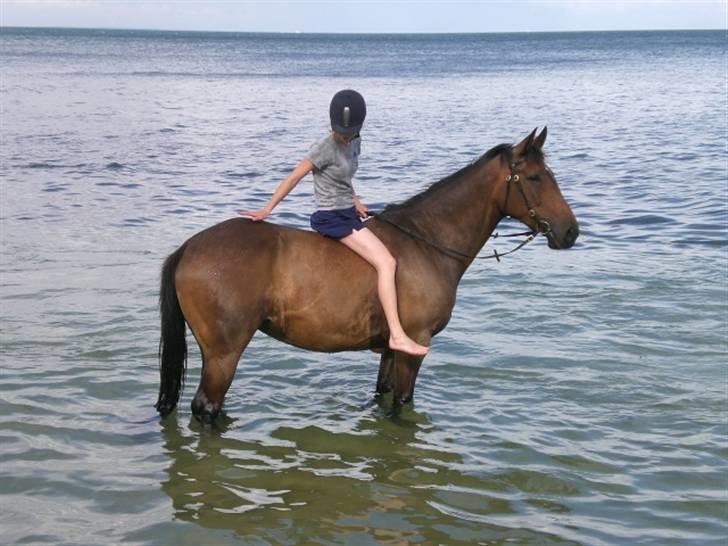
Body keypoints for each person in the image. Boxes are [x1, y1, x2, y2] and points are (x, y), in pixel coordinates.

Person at [240, 89, 429, 357]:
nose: (343, 135)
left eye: (348, 131)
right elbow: (293, 178)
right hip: (332, 217)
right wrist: (267, 209)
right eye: (340, 131)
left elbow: (343, 178)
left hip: (349, 212)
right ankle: (397, 335)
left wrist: (356, 200)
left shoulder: (355, 140)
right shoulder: (323, 148)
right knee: (387, 263)